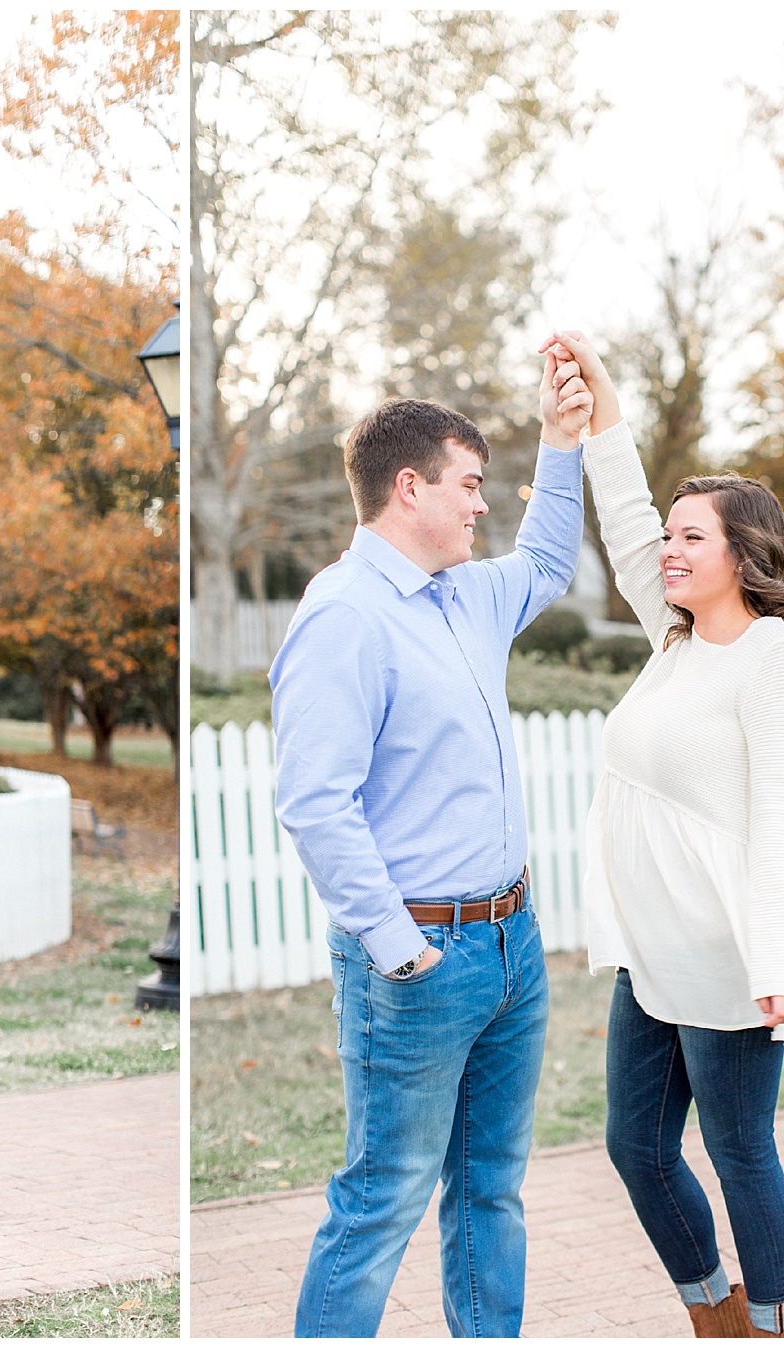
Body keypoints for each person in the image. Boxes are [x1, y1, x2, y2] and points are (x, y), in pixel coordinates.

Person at [272, 359, 596, 1337]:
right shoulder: (343, 616)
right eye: (469, 486)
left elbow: (546, 560)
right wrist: (398, 946)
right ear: (408, 488)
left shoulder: (470, 596)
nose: (483, 509)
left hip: (511, 945)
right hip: (419, 965)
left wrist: (564, 441)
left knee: (491, 1193)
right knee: (382, 1203)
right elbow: (314, 802)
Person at [543, 331, 784, 1338]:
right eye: (671, 535)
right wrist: (600, 402)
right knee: (636, 1146)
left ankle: (779, 1325)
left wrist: (782, 953)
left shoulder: (771, 657)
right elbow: (621, 518)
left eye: (692, 537)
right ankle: (718, 1311)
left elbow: (783, 815)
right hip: (649, 951)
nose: (669, 549)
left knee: (741, 1149)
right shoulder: (675, 643)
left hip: (726, 956)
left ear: (745, 554)